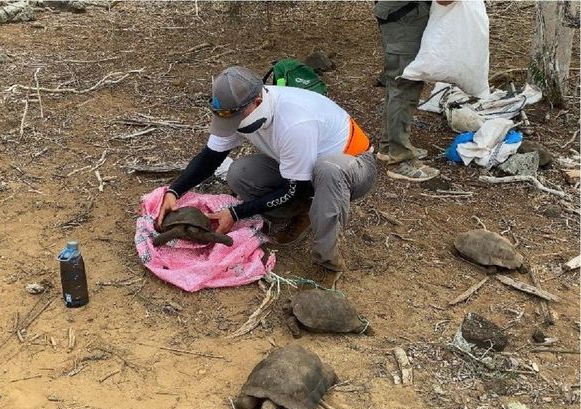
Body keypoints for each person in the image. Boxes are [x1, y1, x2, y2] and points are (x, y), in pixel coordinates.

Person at [156, 66, 377, 288]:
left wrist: (236, 213)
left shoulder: (294, 122)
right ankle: (304, 213)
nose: (232, 125)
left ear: (257, 103)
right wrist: (174, 191)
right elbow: (210, 158)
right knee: (239, 174)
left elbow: (294, 189)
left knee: (329, 170)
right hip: (305, 166)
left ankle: (330, 263)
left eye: (236, 119)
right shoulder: (238, 107)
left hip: (353, 166)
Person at [374, 0, 453, 182]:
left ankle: (388, 147)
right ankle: (400, 160)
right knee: (405, 88)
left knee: (397, 85)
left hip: (397, 14)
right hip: (405, 18)